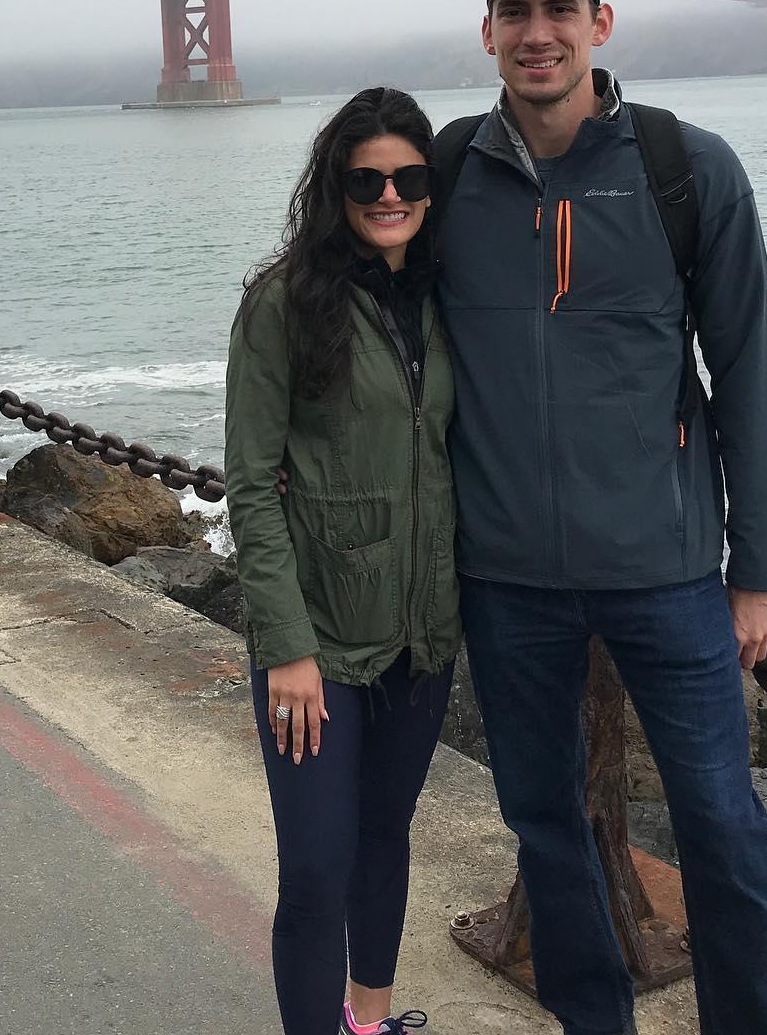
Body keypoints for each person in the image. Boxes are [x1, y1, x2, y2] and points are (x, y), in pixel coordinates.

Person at [433, 0, 767, 1035]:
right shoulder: (443, 173)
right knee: (546, 828)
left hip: (669, 571)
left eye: (561, 10)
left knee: (722, 827)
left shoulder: (688, 169)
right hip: (507, 580)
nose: (537, 34)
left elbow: (744, 377)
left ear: (600, 24)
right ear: (487, 30)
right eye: (516, 12)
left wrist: (758, 571)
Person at [225, 86, 461, 1035]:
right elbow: (252, 483)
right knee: (317, 862)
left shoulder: (445, 296)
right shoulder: (282, 303)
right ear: (336, 186)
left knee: (383, 837)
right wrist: (286, 648)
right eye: (367, 178)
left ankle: (370, 1022)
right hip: (316, 645)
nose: (389, 194)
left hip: (422, 630)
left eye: (409, 176)